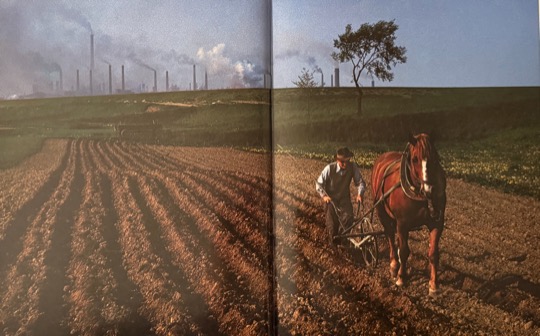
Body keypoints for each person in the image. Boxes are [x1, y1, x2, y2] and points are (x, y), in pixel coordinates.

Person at [316, 147, 366, 247]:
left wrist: (360, 194)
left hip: (344, 198)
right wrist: (324, 196)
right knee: (332, 224)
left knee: (349, 218)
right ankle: (333, 244)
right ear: (337, 160)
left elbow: (360, 182)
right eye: (343, 162)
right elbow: (318, 184)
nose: (345, 164)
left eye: (347, 161)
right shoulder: (329, 168)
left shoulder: (352, 167)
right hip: (331, 199)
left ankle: (342, 239)